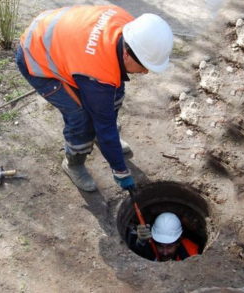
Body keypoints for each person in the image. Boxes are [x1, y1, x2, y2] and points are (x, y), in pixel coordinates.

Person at [16, 5, 173, 192]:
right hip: (36, 53)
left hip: (67, 46)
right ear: (127, 53)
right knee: (81, 117)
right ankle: (73, 163)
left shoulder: (131, 29)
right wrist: (120, 170)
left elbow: (107, 98)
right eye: (144, 65)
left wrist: (109, 139)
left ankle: (105, 142)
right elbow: (103, 121)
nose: (146, 72)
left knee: (113, 96)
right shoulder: (96, 74)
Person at [128, 212, 199, 261]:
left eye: (169, 246)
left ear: (178, 242)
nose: (165, 253)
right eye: (160, 246)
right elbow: (135, 256)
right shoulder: (149, 244)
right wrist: (140, 243)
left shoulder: (190, 253)